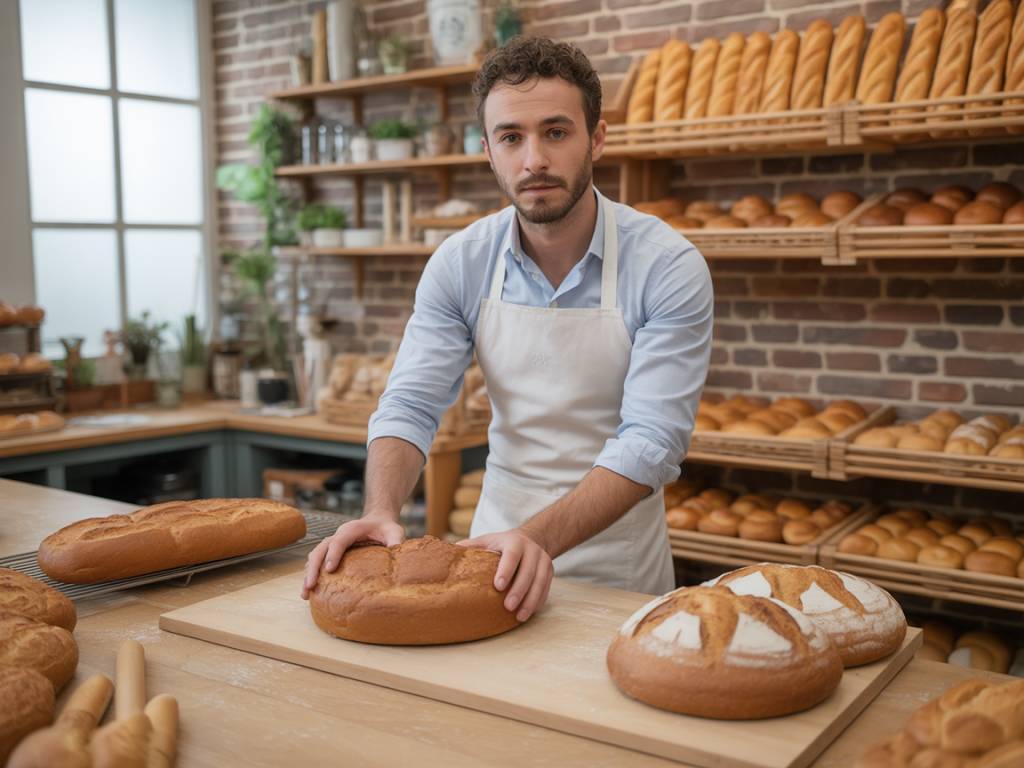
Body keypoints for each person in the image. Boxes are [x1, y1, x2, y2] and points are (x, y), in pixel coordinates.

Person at [302, 36, 713, 623]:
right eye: (511, 137)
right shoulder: (461, 262)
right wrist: (380, 508)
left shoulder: (667, 266)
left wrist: (538, 538)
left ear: (596, 138)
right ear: (489, 151)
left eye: (556, 132)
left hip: (616, 571)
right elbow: (412, 403)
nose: (534, 161)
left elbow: (651, 441)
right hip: (489, 560)